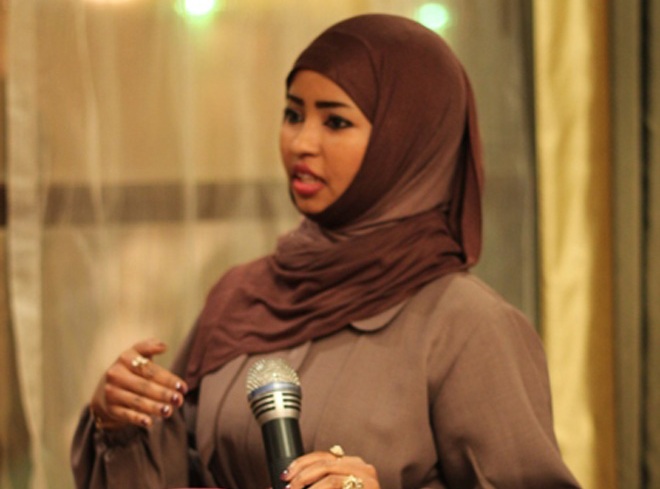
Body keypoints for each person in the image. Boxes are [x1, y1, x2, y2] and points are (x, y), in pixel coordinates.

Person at [71, 13, 581, 489]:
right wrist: (121, 425)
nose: (301, 143)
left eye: (335, 122)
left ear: (405, 141)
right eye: (293, 115)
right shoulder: (242, 296)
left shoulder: (466, 326)